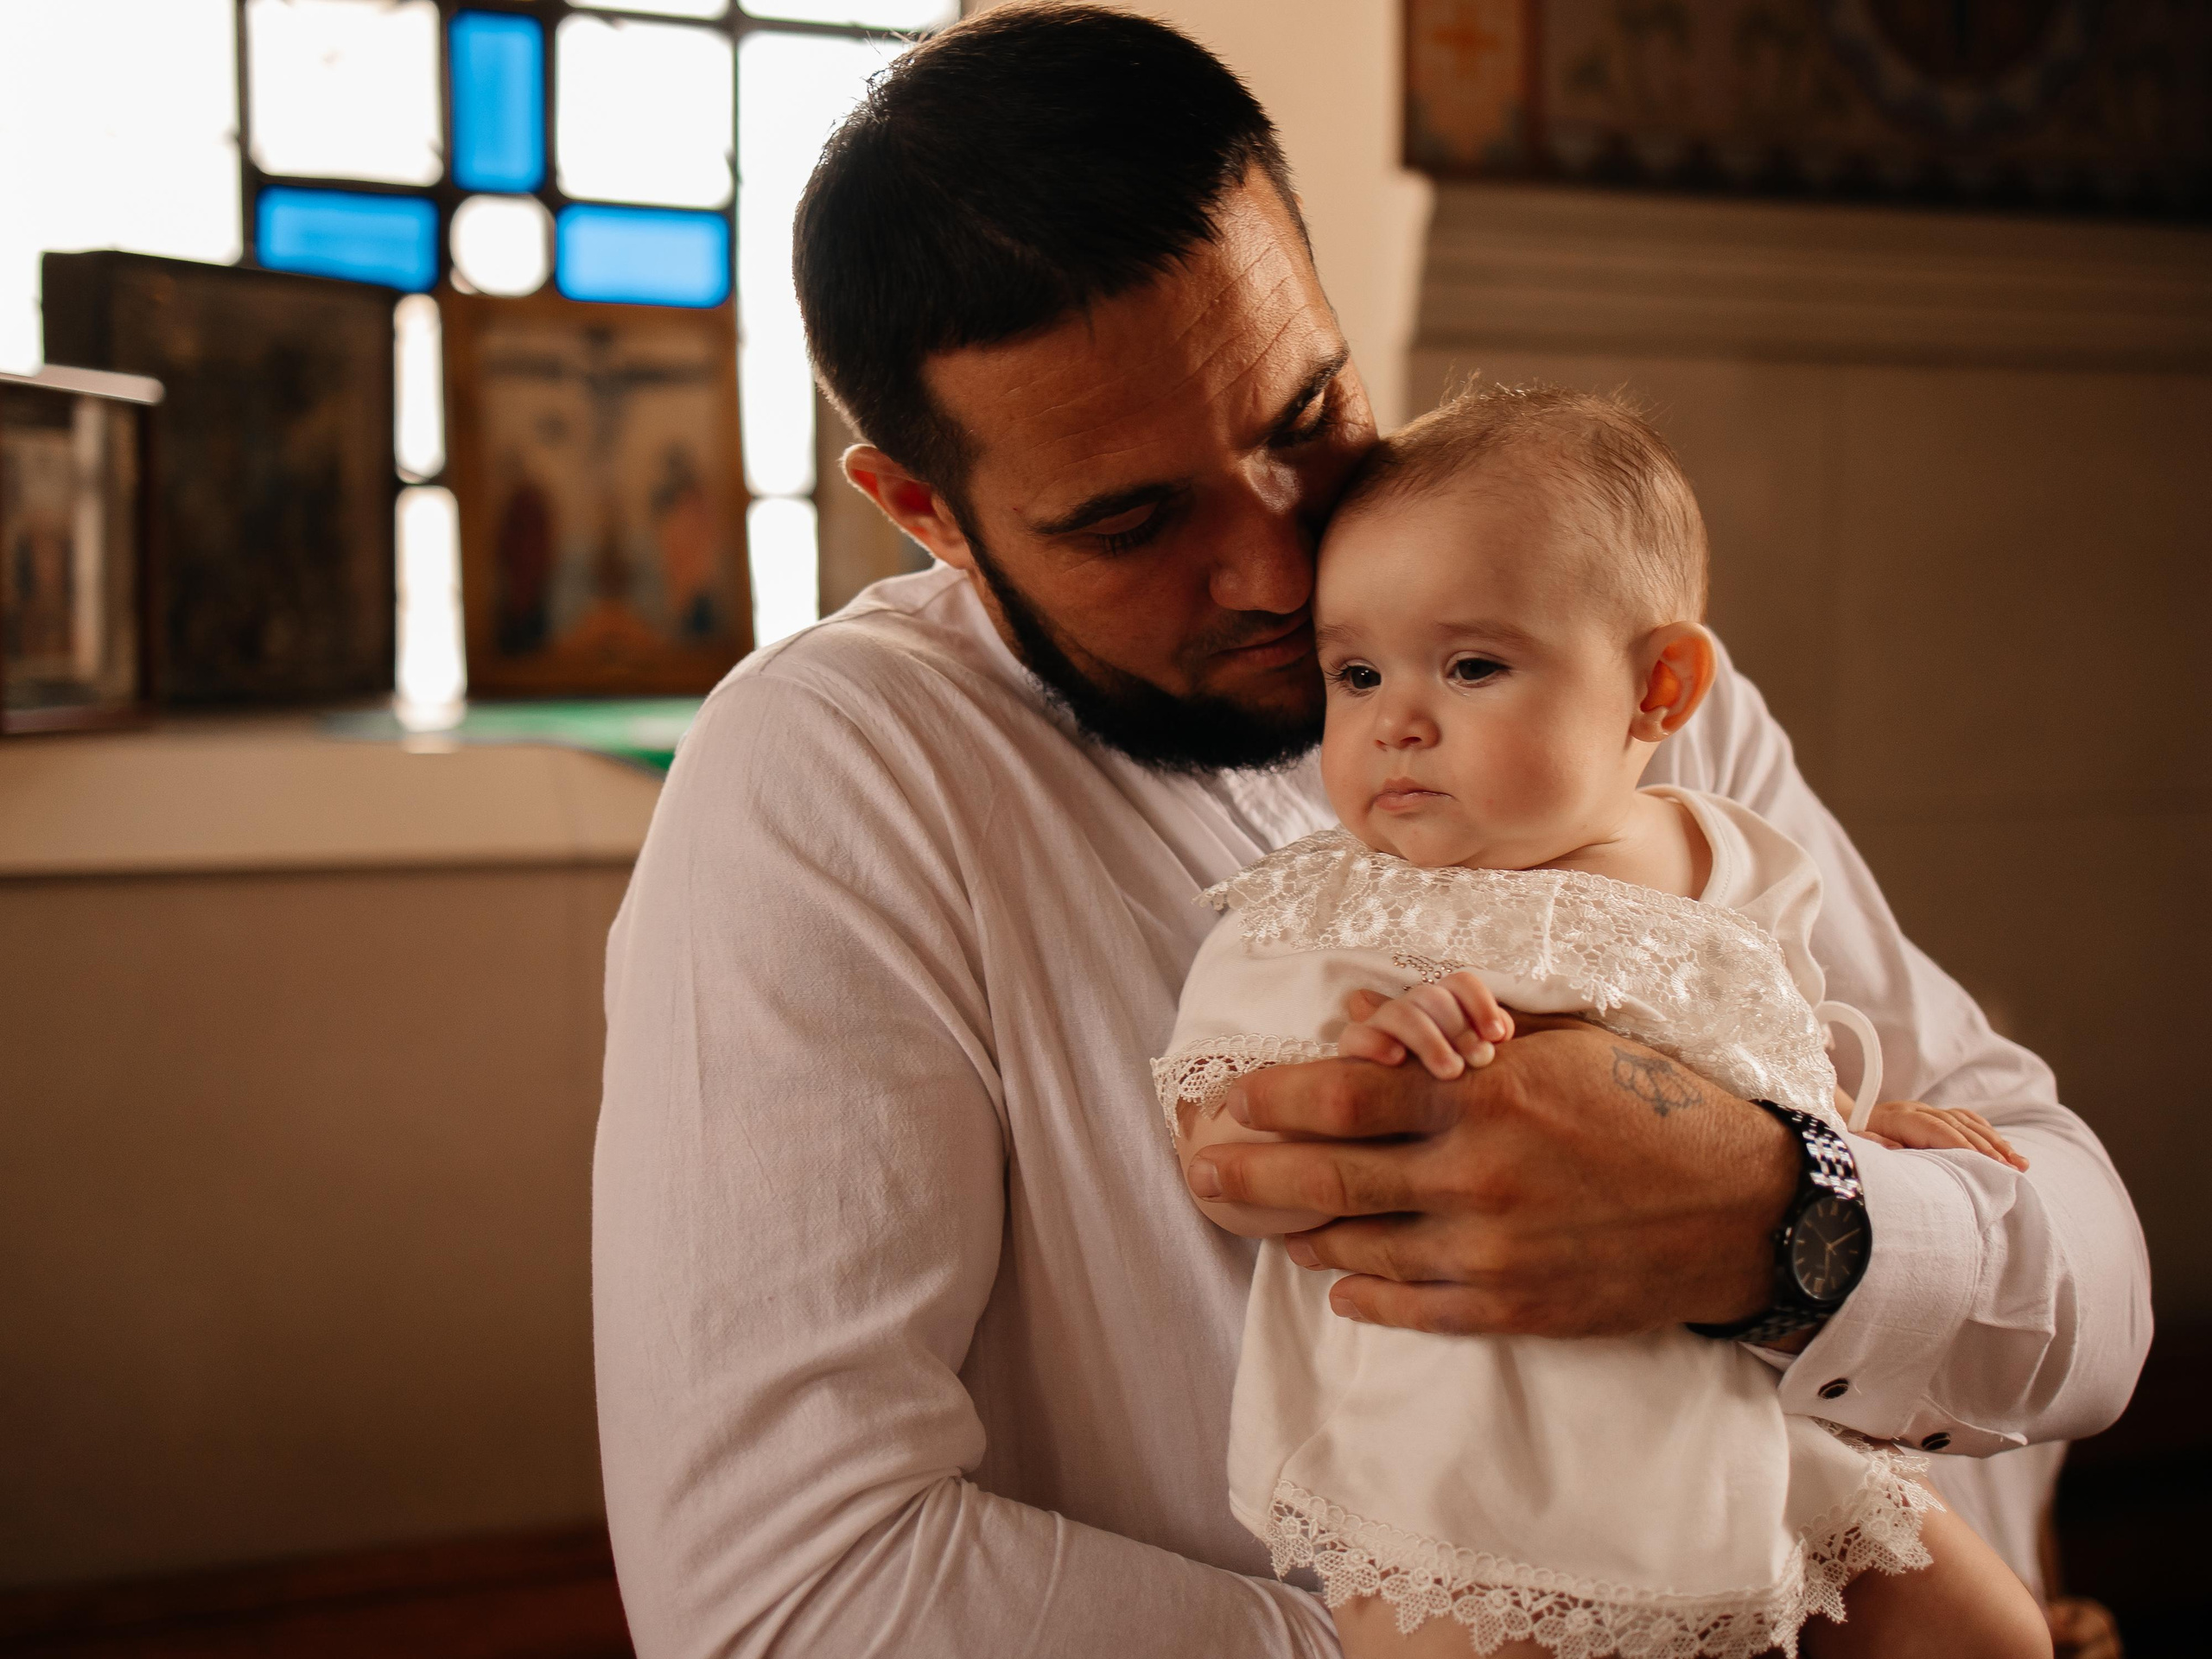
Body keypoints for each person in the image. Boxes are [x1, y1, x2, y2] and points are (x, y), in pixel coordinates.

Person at [590, 7, 2150, 1655]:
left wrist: (1786, 1221)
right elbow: (785, 1599)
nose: (1276, 574)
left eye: (1304, 420)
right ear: (925, 512)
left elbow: (2086, 1289)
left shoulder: (1579, 679)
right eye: (1131, 521)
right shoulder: (839, 776)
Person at [1161, 382, 2049, 1658]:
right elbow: (1226, 1159)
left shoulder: (1728, 861)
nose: (1396, 719)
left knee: (1993, 1634)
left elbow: (1763, 1080)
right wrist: (1369, 1075)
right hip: (1481, 1454)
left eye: (1472, 666)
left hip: (1743, 1415)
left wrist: (1860, 1141)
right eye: (1355, 673)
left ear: (1661, 686)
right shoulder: (1335, 912)